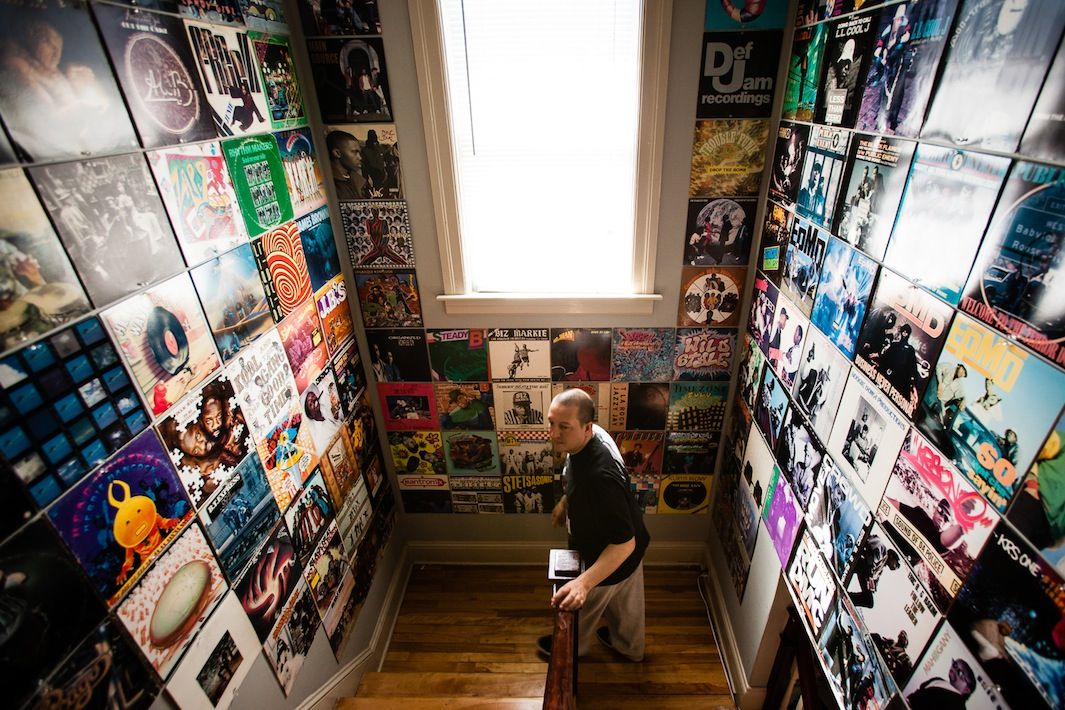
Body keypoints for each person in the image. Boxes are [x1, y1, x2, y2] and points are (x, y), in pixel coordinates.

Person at [537, 388, 650, 662]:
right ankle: (629, 648)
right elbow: (574, 472)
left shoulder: (600, 479)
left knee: (581, 609)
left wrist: (584, 584)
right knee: (627, 609)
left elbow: (624, 543)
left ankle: (572, 648)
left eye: (563, 427)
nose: (554, 434)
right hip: (630, 545)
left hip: (608, 554)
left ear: (586, 426)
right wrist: (566, 501)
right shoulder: (593, 436)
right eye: (552, 423)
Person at [905, 657, 976, 710]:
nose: (954, 669)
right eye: (955, 665)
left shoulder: (959, 707)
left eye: (960, 673)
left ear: (967, 689)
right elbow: (919, 692)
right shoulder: (938, 679)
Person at [326, 129, 367, 200]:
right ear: (337, 153)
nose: (360, 157)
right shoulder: (330, 185)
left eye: (359, 153)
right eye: (354, 152)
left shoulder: (357, 180)